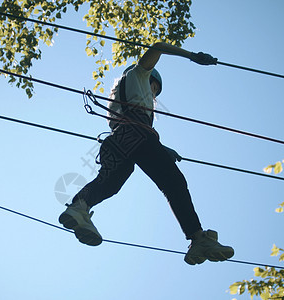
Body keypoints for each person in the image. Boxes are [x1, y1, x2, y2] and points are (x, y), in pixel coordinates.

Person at [59, 42, 234, 265]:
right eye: (155, 89)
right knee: (174, 182)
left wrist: (161, 149)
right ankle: (198, 238)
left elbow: (131, 126)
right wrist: (193, 56)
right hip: (139, 135)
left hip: (118, 140)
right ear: (150, 80)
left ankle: (79, 207)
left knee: (110, 183)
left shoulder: (119, 95)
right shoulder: (139, 74)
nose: (154, 94)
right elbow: (158, 46)